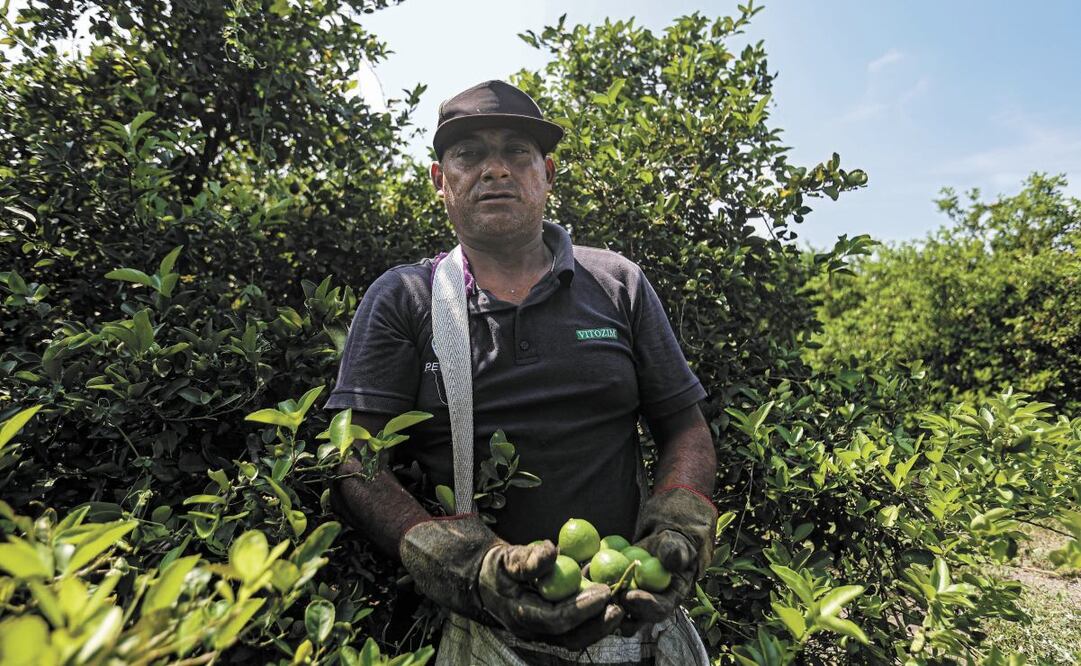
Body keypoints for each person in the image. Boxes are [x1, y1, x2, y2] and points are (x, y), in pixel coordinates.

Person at [328, 80, 718, 665]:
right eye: (469, 154)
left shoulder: (618, 284)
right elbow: (353, 459)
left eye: (517, 151)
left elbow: (684, 426)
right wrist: (463, 567)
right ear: (441, 180)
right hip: (485, 628)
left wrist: (681, 519)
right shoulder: (405, 299)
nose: (496, 170)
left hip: (630, 613)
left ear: (547, 173)